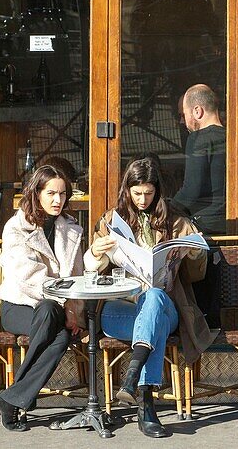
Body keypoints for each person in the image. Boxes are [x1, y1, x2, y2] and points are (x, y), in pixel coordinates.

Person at [86, 157, 216, 438]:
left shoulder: (176, 222)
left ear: (157, 191)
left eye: (148, 193)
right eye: (137, 193)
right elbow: (90, 270)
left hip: (166, 306)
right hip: (120, 310)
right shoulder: (111, 221)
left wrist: (195, 253)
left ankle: (136, 384)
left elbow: (196, 275)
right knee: (151, 324)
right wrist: (96, 251)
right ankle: (143, 399)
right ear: (127, 191)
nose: (143, 200)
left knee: (154, 299)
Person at [0, 164, 84, 431]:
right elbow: (29, 276)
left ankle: (12, 398)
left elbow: (77, 275)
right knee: (50, 315)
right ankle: (15, 398)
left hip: (55, 307)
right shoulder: (16, 228)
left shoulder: (70, 228)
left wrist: (73, 310)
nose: (58, 200)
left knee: (57, 328)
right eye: (51, 193)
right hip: (18, 306)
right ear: (37, 192)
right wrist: (65, 308)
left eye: (63, 194)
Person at [174, 83, 227, 236]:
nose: (182, 122)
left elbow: (192, 190)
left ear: (197, 111)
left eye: (183, 115)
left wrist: (165, 209)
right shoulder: (231, 138)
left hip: (205, 227)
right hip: (232, 225)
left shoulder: (198, 138)